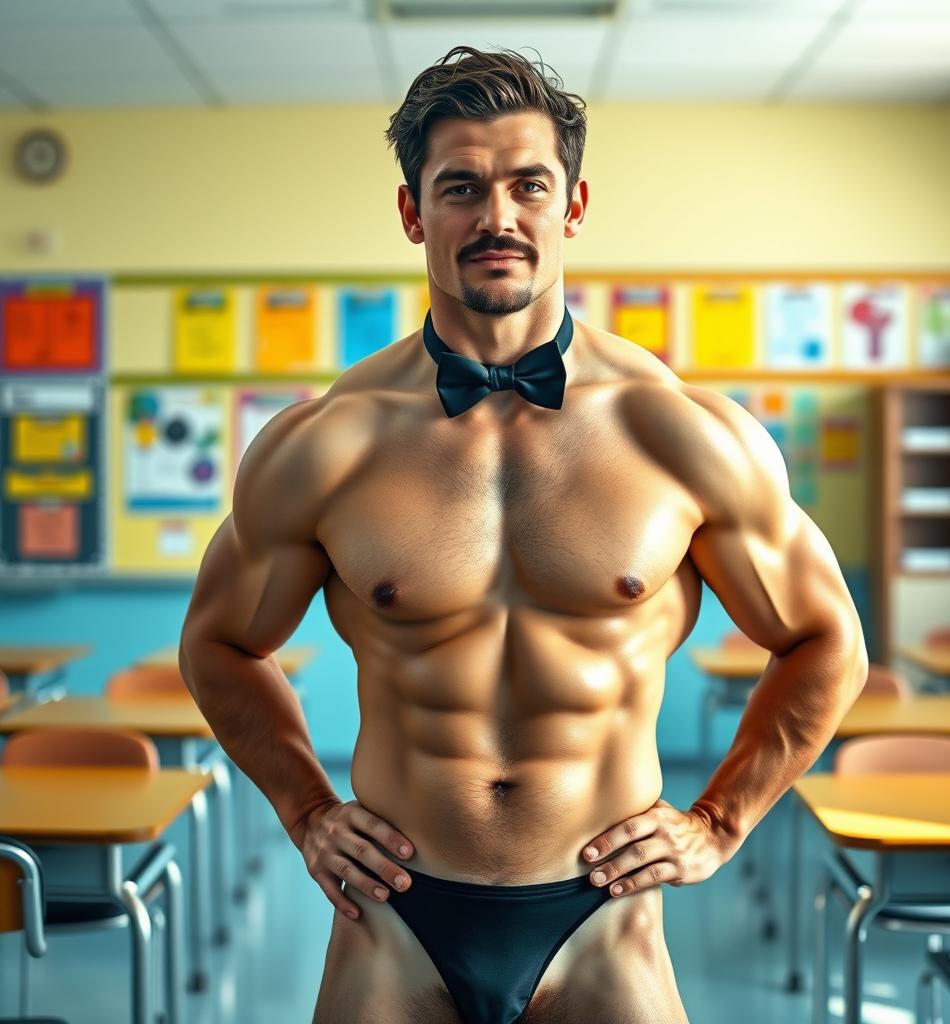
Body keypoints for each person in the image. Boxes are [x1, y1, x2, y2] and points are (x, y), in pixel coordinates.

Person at [178, 44, 868, 1024]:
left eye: (526, 185)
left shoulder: (679, 434)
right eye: (459, 187)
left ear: (572, 205)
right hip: (394, 914)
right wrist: (306, 809)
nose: (495, 217)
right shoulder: (323, 443)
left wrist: (717, 821)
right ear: (413, 211)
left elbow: (825, 638)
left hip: (604, 913)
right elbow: (216, 641)